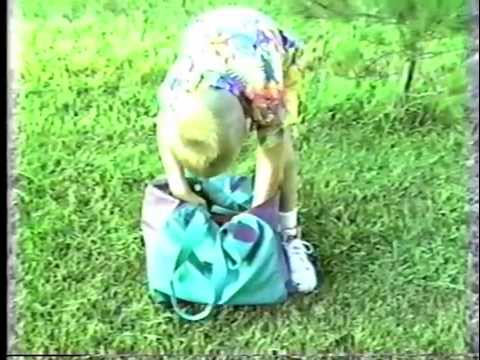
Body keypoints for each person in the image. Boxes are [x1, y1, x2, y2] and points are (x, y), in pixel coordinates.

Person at [156, 7, 317, 293]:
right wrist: (179, 186)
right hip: (210, 35)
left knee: (283, 146)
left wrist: (256, 213)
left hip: (262, 42)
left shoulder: (265, 90)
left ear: (248, 123)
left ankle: (290, 235)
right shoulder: (180, 91)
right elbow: (165, 126)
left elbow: (271, 147)